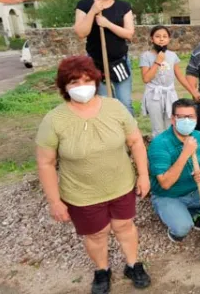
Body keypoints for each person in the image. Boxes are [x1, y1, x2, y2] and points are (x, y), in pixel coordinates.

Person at [35, 56, 150, 294]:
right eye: (74, 82)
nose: (82, 87)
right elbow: (46, 163)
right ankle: (102, 270)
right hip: (82, 192)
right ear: (64, 87)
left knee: (124, 226)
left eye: (87, 80)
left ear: (96, 81)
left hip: (120, 184)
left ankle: (132, 264)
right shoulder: (54, 119)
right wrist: (55, 201)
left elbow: (136, 141)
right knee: (96, 234)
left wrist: (143, 175)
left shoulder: (115, 107)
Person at [148, 99, 200, 241]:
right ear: (173, 119)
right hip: (169, 196)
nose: (186, 120)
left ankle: (195, 213)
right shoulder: (160, 143)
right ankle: (180, 216)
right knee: (182, 228)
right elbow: (165, 183)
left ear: (196, 119)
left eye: (190, 117)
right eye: (181, 117)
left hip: (196, 189)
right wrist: (185, 153)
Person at [73, 0, 135, 115]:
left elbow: (129, 34)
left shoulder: (123, 6)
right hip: (95, 64)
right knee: (104, 104)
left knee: (125, 102)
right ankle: (111, 135)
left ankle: (130, 136)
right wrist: (93, 11)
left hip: (119, 61)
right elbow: (81, 33)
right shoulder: (84, 5)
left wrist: (107, 24)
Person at [140, 25, 199, 137]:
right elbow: (146, 78)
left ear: (168, 39)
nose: (161, 39)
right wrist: (157, 61)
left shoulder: (172, 56)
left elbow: (180, 76)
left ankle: (172, 148)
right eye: (157, 36)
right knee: (157, 127)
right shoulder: (146, 56)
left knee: (171, 123)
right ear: (152, 39)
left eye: (164, 36)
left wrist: (193, 92)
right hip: (154, 95)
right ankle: (159, 149)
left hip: (170, 94)